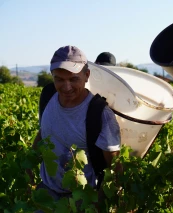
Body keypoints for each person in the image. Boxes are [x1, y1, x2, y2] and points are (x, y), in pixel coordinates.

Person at [29, 45, 121, 206]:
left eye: (73, 79)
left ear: (87, 75)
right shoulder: (48, 95)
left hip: (83, 199)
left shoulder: (100, 114)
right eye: (59, 79)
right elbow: (44, 132)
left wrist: (100, 204)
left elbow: (113, 166)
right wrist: (28, 171)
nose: (66, 87)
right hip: (46, 193)